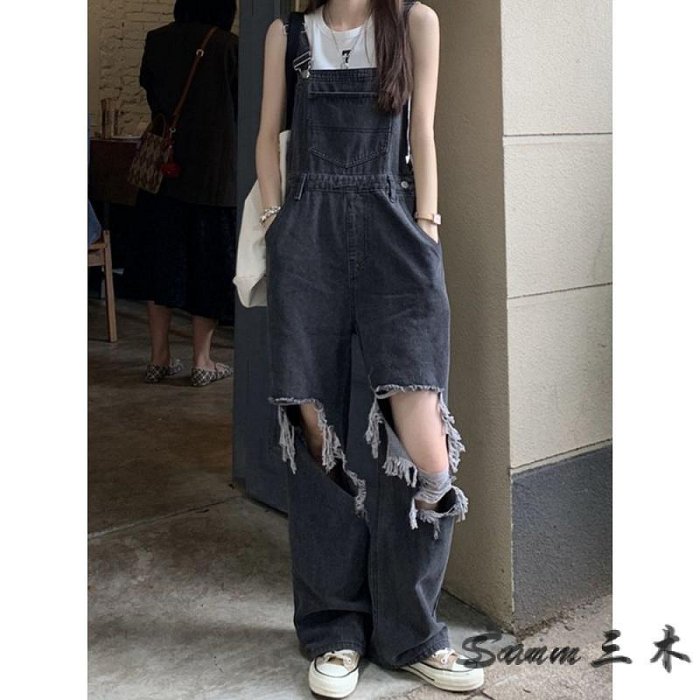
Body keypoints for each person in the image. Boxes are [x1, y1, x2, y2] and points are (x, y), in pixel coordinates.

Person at [256, 1, 484, 696]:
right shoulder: (289, 34)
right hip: (308, 239)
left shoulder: (415, 22)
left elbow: (423, 131)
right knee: (317, 437)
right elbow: (267, 137)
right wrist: (278, 223)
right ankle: (334, 629)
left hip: (398, 233)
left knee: (426, 447)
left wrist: (428, 230)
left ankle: (411, 631)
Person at [131, 0, 239, 387]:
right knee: (207, 269)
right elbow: (243, 107)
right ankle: (202, 360)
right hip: (213, 178)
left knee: (160, 264)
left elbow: (152, 95)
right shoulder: (229, 47)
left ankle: (158, 357)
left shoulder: (156, 40)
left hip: (162, 172)